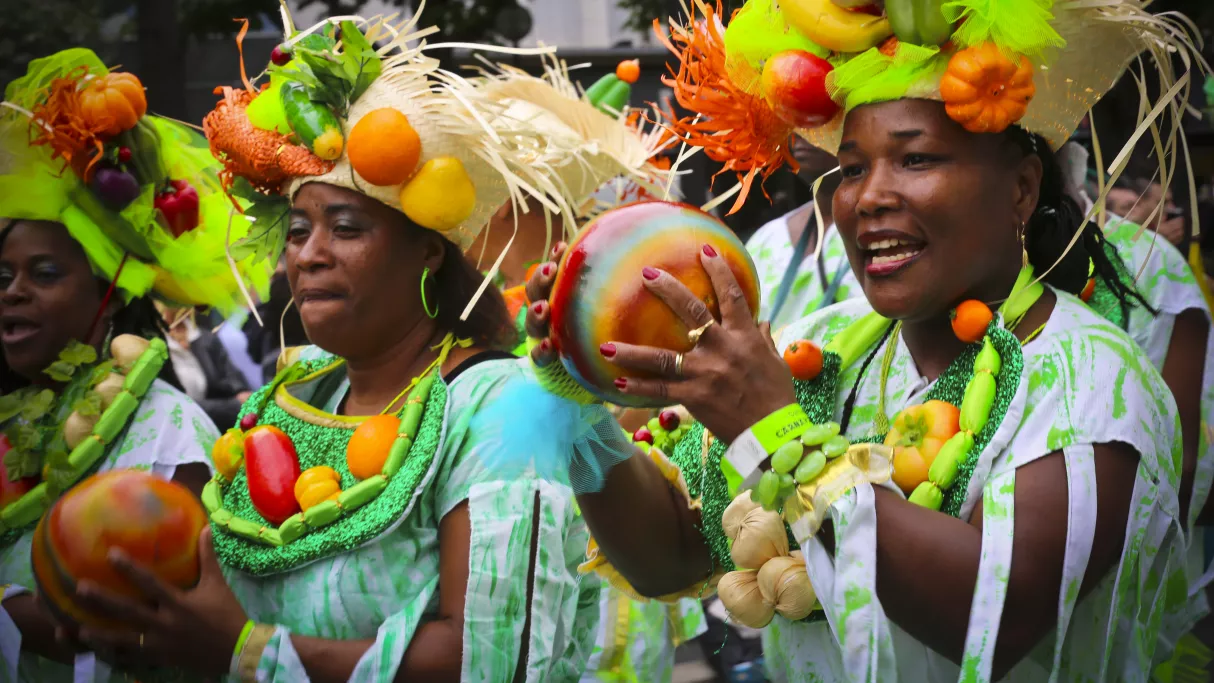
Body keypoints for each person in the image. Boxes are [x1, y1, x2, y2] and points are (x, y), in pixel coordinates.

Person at [519, 0, 1200, 679]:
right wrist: (578, 400)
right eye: (850, 169)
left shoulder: (1091, 378)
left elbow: (998, 617)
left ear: (1022, 189)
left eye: (916, 159)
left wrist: (779, 436)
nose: (868, 196)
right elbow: (669, 552)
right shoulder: (822, 351)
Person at [50, 11, 660, 682]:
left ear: (429, 252)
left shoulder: (500, 406)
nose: (308, 255)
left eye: (344, 227)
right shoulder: (298, 386)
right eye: (299, 230)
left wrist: (246, 654)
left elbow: (491, 661)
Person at [0, 48, 270, 682]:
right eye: (2, 275)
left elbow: (172, 630)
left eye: (44, 274)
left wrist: (10, 611)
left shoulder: (168, 433)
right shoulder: (10, 421)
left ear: (108, 292)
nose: (13, 292)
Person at [746, 138, 857, 330]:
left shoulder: (885, 232)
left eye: (821, 118)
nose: (803, 132)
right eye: (793, 121)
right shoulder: (766, 239)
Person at [159, 303, 254, 430]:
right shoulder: (155, 347)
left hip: (223, 424)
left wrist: (242, 393)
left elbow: (231, 375)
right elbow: (177, 405)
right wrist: (233, 405)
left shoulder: (205, 338)